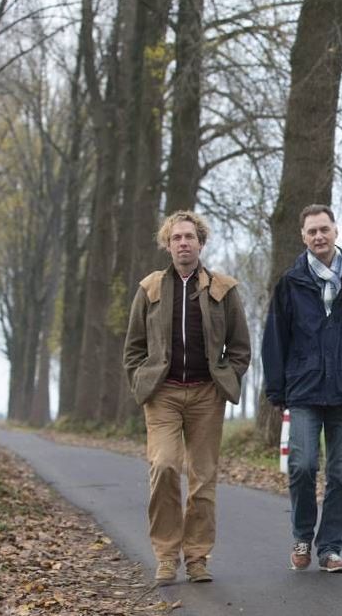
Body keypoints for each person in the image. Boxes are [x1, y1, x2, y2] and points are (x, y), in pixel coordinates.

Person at [123, 210, 251, 585]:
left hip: (205, 396)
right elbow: (133, 348)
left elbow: (240, 347)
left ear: (201, 243)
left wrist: (225, 378)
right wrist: (140, 382)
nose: (183, 243)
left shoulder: (223, 289)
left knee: (203, 478)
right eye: (176, 237)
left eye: (189, 237)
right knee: (163, 467)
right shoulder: (149, 288)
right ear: (167, 244)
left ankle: (196, 558)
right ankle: (166, 556)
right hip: (162, 396)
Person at [262, 204, 342, 573]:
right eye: (312, 232)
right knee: (302, 466)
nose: (319, 236)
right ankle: (303, 535)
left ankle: (330, 548)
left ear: (336, 231)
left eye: (324, 229)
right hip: (303, 390)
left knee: (340, 474)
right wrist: (277, 389)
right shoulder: (290, 283)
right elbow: (274, 339)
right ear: (303, 237)